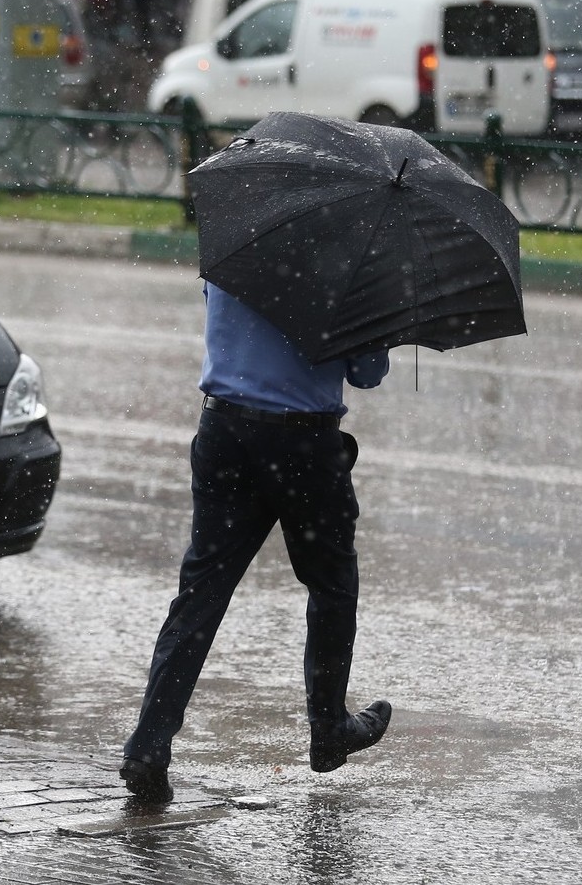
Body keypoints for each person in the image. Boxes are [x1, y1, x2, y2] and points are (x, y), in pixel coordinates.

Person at [119, 282, 394, 804]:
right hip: (305, 446)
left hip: (224, 430)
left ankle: (148, 745)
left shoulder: (240, 244)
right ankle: (328, 728)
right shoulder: (348, 267)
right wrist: (381, 324)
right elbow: (367, 373)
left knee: (200, 592)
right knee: (332, 586)